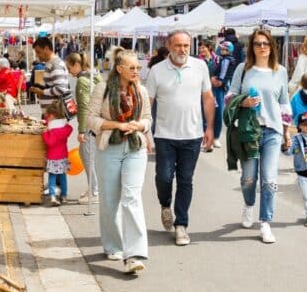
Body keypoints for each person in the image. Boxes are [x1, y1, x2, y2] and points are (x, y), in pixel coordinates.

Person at [146, 30, 215, 247]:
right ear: (169, 45)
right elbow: (148, 102)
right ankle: (165, 205)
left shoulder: (200, 66)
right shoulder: (157, 71)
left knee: (186, 180)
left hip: (192, 136)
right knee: (164, 177)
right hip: (165, 135)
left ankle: (181, 225)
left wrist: (210, 127)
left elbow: (207, 97)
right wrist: (146, 132)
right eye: (178, 46)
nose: (182, 50)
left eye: (186, 45)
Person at [88, 50, 153, 274]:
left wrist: (139, 126)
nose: (136, 72)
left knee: (131, 197)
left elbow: (147, 118)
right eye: (132, 68)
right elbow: (91, 119)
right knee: (109, 200)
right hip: (109, 147)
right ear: (119, 69)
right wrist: (117, 125)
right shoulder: (102, 89)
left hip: (135, 147)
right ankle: (113, 245)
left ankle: (134, 254)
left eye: (138, 68)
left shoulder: (141, 91)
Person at [227, 27, 292, 245]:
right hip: (248, 131)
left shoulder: (280, 71)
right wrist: (242, 102)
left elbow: (284, 103)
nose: (262, 47)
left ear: (272, 46)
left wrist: (286, 132)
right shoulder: (243, 69)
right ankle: (248, 205)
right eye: (257, 44)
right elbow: (230, 97)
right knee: (248, 179)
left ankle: (265, 222)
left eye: (265, 43)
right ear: (252, 47)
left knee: (269, 179)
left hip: (272, 131)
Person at [67, 52, 97, 204]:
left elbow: (85, 106)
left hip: (90, 126)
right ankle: (94, 188)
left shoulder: (82, 81)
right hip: (97, 123)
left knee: (87, 157)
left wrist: (82, 130)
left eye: (69, 67)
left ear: (76, 65)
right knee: (89, 156)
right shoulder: (92, 76)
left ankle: (94, 191)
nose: (69, 71)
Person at [42, 103, 73, 205]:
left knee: (52, 177)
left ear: (51, 116)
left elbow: (50, 142)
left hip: (53, 157)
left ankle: (52, 196)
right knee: (63, 177)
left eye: (47, 116)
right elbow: (70, 128)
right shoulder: (64, 128)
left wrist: (45, 133)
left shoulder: (52, 130)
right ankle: (64, 196)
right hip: (63, 156)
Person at [30, 37, 71, 111]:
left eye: (38, 52)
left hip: (55, 113)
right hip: (52, 112)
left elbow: (61, 89)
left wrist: (41, 91)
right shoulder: (50, 63)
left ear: (46, 49)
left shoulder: (55, 64)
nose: (37, 55)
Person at [210, 39, 237, 150]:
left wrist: (219, 80)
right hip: (221, 87)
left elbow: (223, 74)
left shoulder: (226, 60)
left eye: (224, 49)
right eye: (221, 48)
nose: (222, 50)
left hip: (219, 87)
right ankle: (214, 137)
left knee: (217, 112)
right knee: (216, 111)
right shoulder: (225, 59)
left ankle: (215, 137)